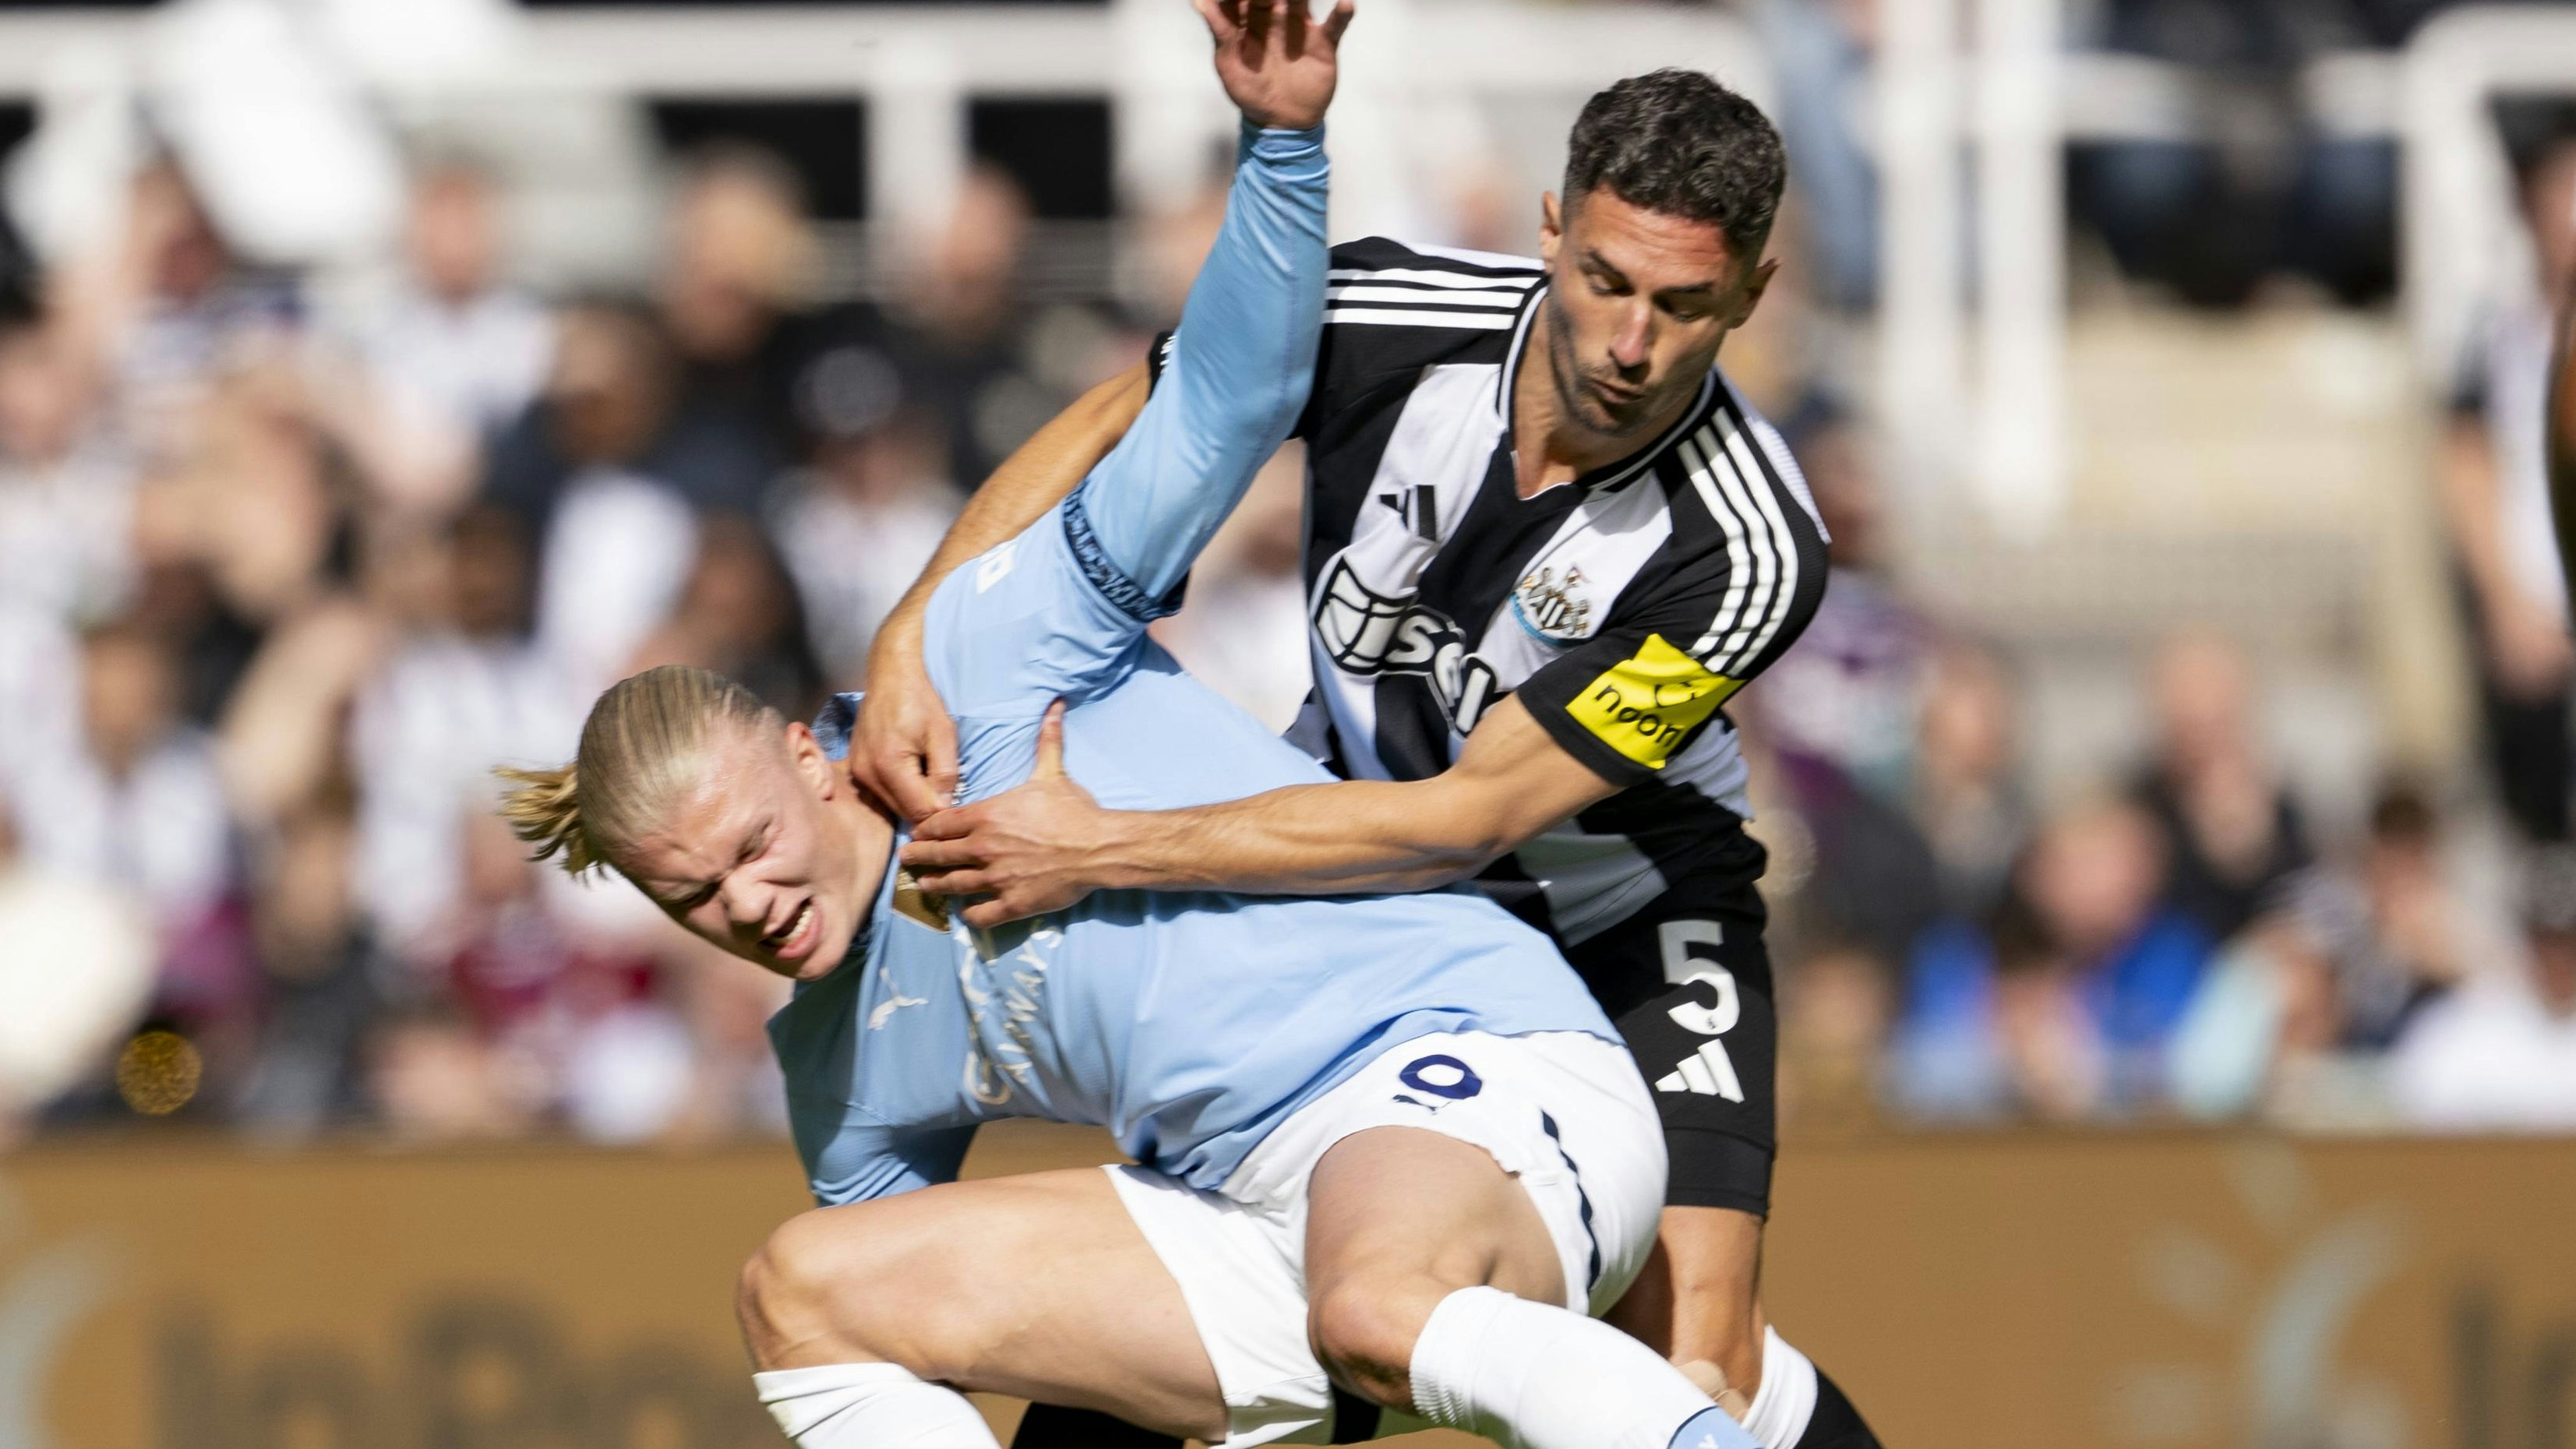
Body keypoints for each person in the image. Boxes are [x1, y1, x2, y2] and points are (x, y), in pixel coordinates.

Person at [499, 8, 1753, 1447]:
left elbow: (1222, 402)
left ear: (804, 753)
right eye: (693, 898)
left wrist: (1281, 140)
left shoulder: (982, 666)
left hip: (1469, 1070)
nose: (745, 904)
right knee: (805, 1288)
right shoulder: (840, 1076)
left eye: (746, 848)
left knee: (1392, 1306)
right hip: (1241, 1211)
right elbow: (917, 1349)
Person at [859, 66, 1872, 1449]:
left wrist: (1096, 847)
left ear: (1752, 293)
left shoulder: (1748, 550)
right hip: (1345, 880)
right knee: (1192, 1296)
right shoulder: (1381, 313)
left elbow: (1467, 817)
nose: (1630, 342)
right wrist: (913, 629)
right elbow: (1121, 420)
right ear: (1549, 226)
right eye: (1603, 279)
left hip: (1622, 915)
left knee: (1694, 1360)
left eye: (1682, 304)